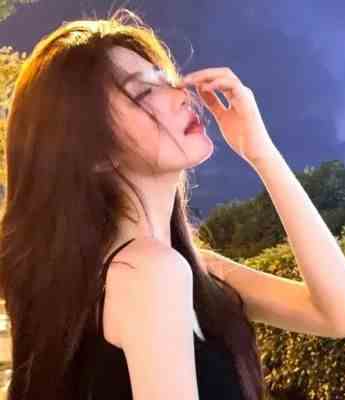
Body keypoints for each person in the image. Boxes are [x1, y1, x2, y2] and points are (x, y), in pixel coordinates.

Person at [0, 7, 267, 400]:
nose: (181, 95)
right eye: (143, 93)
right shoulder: (149, 272)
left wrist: (259, 151)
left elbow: (343, 313)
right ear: (95, 153)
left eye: (166, 80)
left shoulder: (182, 269)